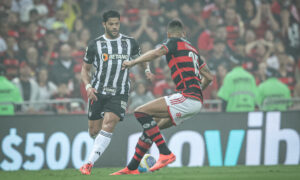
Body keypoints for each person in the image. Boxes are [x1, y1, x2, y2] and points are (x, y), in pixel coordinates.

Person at [111, 19, 213, 175]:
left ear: (168, 34)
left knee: (140, 112)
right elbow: (209, 77)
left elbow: (157, 52)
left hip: (187, 98)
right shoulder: (193, 49)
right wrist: (198, 91)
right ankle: (131, 168)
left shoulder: (173, 42)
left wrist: (133, 62)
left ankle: (165, 153)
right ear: (184, 33)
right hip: (194, 101)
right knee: (152, 129)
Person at [79, 10, 151, 175]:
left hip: (120, 92)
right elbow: (85, 69)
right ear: (104, 24)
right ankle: (94, 152)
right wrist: (88, 87)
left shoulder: (129, 42)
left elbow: (140, 59)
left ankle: (88, 164)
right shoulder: (94, 44)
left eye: (117, 23)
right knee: (94, 131)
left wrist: (147, 69)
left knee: (110, 122)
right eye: (111, 24)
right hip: (98, 91)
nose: (114, 27)